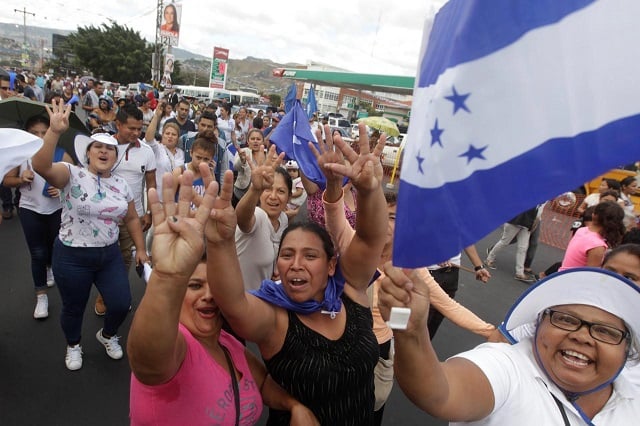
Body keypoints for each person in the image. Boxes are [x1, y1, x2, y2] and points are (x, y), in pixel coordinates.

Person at [204, 128, 389, 424]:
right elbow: (234, 303)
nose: (296, 264)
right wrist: (219, 242)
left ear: (331, 266)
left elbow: (369, 239)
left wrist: (369, 190)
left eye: (310, 255)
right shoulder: (275, 319)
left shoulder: (351, 292)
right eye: (287, 255)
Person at [127, 170, 318, 425]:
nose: (209, 295)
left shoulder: (227, 343)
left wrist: (293, 405)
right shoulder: (176, 348)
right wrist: (168, 277)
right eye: (194, 286)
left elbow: (261, 383)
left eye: (214, 288)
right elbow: (147, 359)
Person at [379, 266, 640, 424]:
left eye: (605, 332)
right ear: (539, 325)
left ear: (627, 348)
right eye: (565, 320)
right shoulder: (507, 366)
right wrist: (411, 332)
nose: (582, 336)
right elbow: (440, 393)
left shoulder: (633, 399)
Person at [31, 100, 149, 371]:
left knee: (120, 303)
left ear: (115, 156)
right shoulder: (71, 174)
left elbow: (131, 218)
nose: (105, 151)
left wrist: (141, 250)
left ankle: (107, 335)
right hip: (72, 255)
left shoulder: (120, 185)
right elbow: (41, 166)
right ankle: (73, 344)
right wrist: (54, 132)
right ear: (88, 152)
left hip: (108, 254)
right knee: (73, 307)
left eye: (110, 148)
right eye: (99, 147)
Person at [1, 115, 74, 319]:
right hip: (30, 209)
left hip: (57, 211)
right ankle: (41, 295)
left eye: (45, 132)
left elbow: (75, 184)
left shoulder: (62, 154)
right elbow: (7, 180)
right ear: (27, 134)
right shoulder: (21, 156)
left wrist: (61, 191)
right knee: (37, 253)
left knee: (53, 248)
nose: (41, 136)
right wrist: (20, 179)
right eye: (35, 133)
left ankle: (50, 267)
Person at [234, 144, 291, 289]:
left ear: (289, 197)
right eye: (268, 189)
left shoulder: (283, 219)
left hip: (264, 303)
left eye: (281, 191)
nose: (273, 197)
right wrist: (255, 189)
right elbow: (241, 218)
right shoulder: (257, 216)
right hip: (239, 304)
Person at [560, 201, 626, 271]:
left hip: (562, 275)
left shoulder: (582, 230)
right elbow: (591, 275)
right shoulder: (597, 246)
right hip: (574, 280)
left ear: (593, 215)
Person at [485, 205, 541, 283]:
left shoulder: (540, 200)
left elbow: (538, 216)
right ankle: (489, 258)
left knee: (523, 248)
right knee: (504, 242)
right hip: (515, 221)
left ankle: (519, 273)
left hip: (527, 224)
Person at [232, 128, 266, 206]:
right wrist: (242, 160)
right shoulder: (243, 151)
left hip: (258, 196)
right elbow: (235, 167)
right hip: (240, 193)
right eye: (252, 139)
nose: (255, 141)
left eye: (258, 139)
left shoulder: (267, 154)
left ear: (262, 141)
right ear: (248, 141)